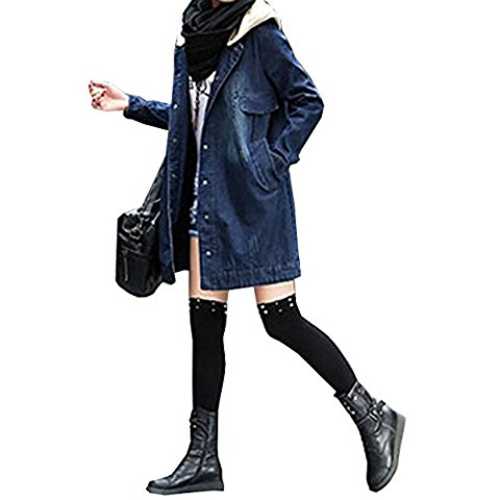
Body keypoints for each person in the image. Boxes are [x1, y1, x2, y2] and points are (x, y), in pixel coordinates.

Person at [88, 0, 406, 495]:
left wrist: (269, 163)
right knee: (204, 326)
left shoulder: (259, 33)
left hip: (254, 206)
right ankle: (203, 459)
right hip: (205, 206)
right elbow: (191, 120)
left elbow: (308, 102)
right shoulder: (191, 33)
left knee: (281, 319)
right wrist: (129, 104)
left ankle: (374, 415)